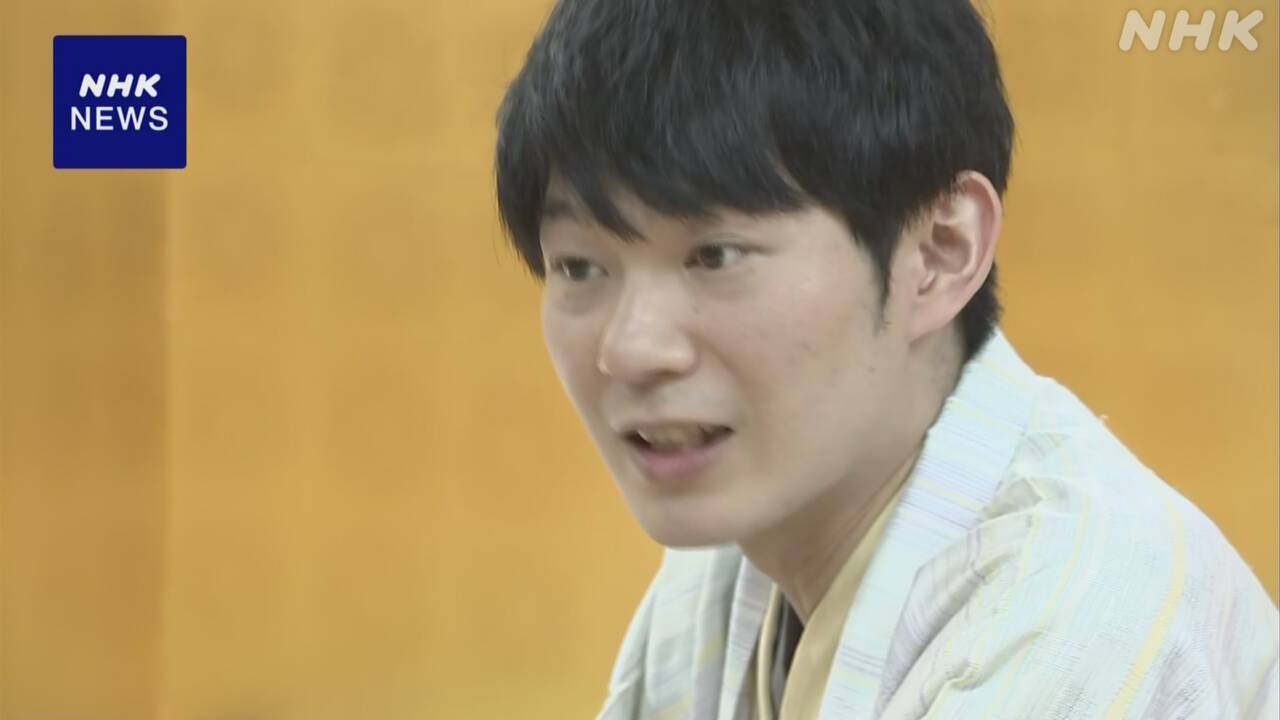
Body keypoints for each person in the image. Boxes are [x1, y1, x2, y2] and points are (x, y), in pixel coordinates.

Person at [492, 0, 1279, 717]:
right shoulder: (726, 569)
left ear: (939, 252)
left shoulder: (1076, 611)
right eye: (579, 267)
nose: (631, 350)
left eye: (716, 256)